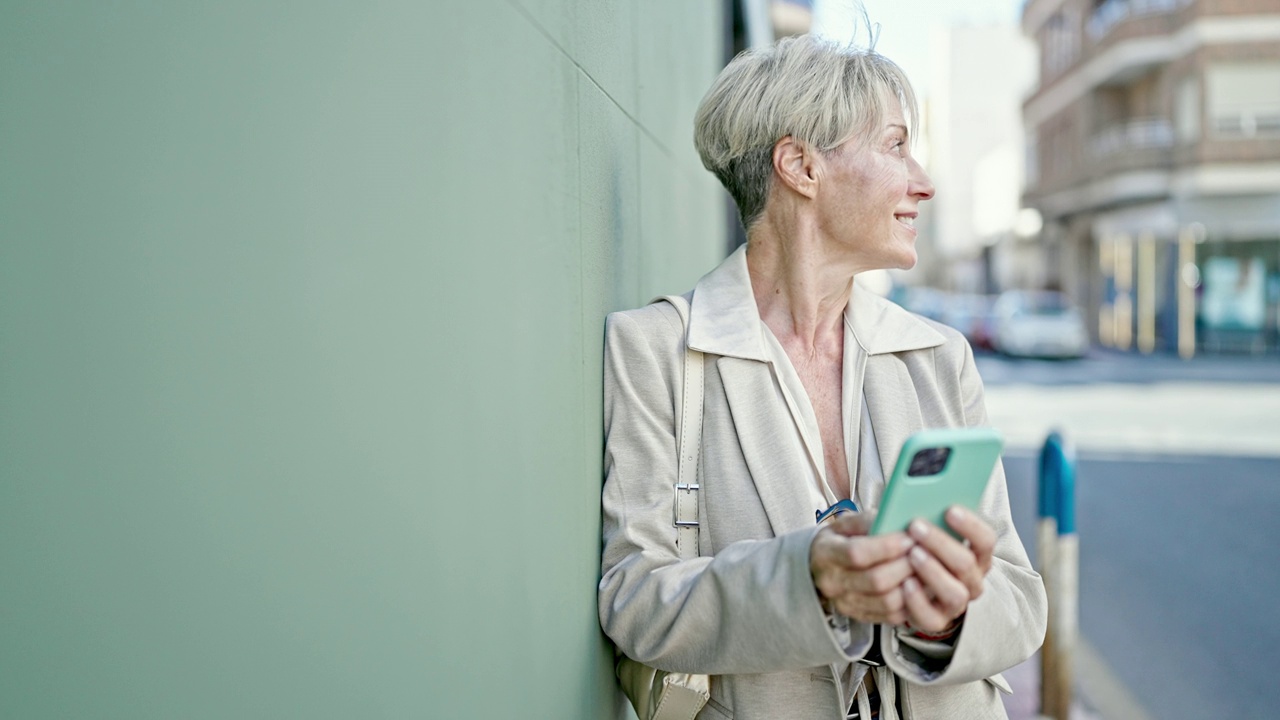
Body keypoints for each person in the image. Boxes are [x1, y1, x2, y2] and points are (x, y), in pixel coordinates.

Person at [599, 34, 1046, 720]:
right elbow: (634, 600)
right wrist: (808, 580)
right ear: (801, 167)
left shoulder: (938, 358)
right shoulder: (656, 350)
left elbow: (1018, 598)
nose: (922, 182)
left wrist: (943, 621)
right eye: (896, 146)